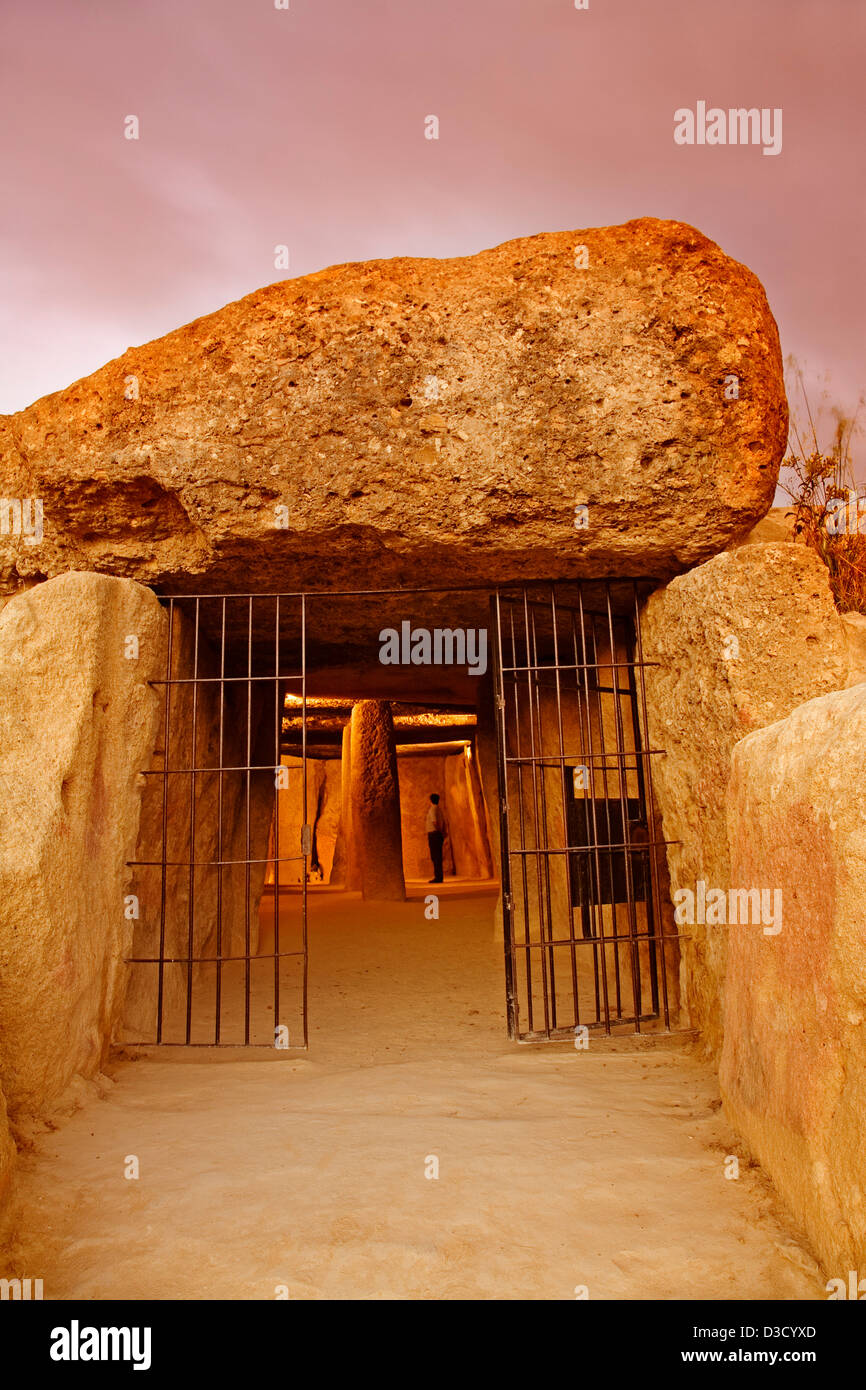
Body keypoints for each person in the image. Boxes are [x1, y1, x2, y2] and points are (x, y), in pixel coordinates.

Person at [425, 793, 446, 884]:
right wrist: (443, 832)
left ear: (430, 800)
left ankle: (438, 877)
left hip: (434, 834)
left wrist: (440, 831)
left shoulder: (433, 809)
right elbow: (443, 822)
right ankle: (439, 876)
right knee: (438, 856)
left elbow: (435, 822)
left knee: (435, 856)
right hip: (437, 834)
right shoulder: (439, 809)